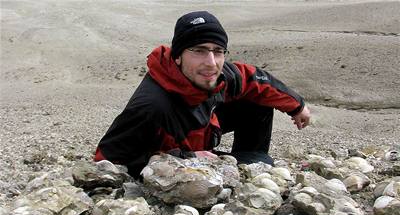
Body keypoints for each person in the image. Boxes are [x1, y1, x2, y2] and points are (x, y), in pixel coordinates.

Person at [94, 11, 311, 178]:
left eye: (218, 51)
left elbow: (254, 79)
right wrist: (185, 158)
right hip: (178, 154)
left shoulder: (214, 75)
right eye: (198, 50)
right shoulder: (151, 107)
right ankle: (250, 167)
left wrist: (297, 105)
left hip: (201, 131)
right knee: (263, 163)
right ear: (177, 56)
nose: (211, 62)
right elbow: (107, 160)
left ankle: (248, 162)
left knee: (257, 101)